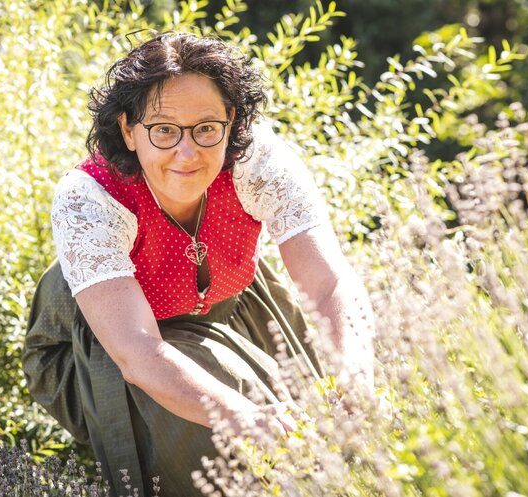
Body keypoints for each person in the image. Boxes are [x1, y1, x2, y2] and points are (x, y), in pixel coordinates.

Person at [23, 32, 374, 496]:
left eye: (206, 128)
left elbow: (327, 284)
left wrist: (352, 374)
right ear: (128, 130)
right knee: (230, 462)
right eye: (164, 130)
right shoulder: (90, 198)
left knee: (332, 436)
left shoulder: (257, 161)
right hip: (124, 331)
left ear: (231, 121)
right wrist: (240, 416)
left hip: (235, 302)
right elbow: (139, 352)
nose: (187, 153)